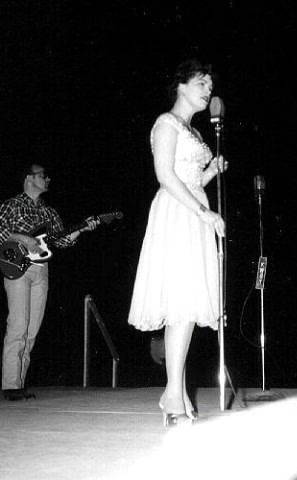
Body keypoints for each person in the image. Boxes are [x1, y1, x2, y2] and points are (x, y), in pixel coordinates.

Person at [128, 59, 228, 426]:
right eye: (201, 82)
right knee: (180, 305)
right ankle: (173, 393)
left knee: (186, 306)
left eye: (210, 84)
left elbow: (191, 179)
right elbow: (166, 175)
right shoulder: (166, 123)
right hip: (178, 214)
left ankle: (174, 391)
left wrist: (210, 172)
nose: (208, 90)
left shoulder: (195, 132)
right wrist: (203, 213)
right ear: (181, 86)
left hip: (194, 212)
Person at [0, 163, 95, 401]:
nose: (47, 179)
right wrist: (22, 237)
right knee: (17, 325)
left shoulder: (49, 212)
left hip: (41, 270)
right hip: (17, 268)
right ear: (29, 178)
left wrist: (83, 228)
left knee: (32, 329)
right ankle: (11, 386)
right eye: (43, 176)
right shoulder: (13, 204)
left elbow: (62, 241)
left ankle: (19, 384)